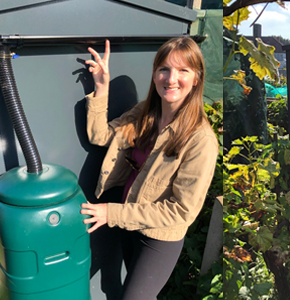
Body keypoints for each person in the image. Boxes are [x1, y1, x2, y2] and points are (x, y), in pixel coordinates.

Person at [79, 37, 218, 299]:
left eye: (183, 70)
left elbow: (182, 212)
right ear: (154, 74)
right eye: (164, 69)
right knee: (116, 287)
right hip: (129, 224)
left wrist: (112, 213)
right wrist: (101, 87)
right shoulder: (146, 112)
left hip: (158, 238)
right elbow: (100, 136)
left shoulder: (201, 140)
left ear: (197, 79)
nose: (171, 78)